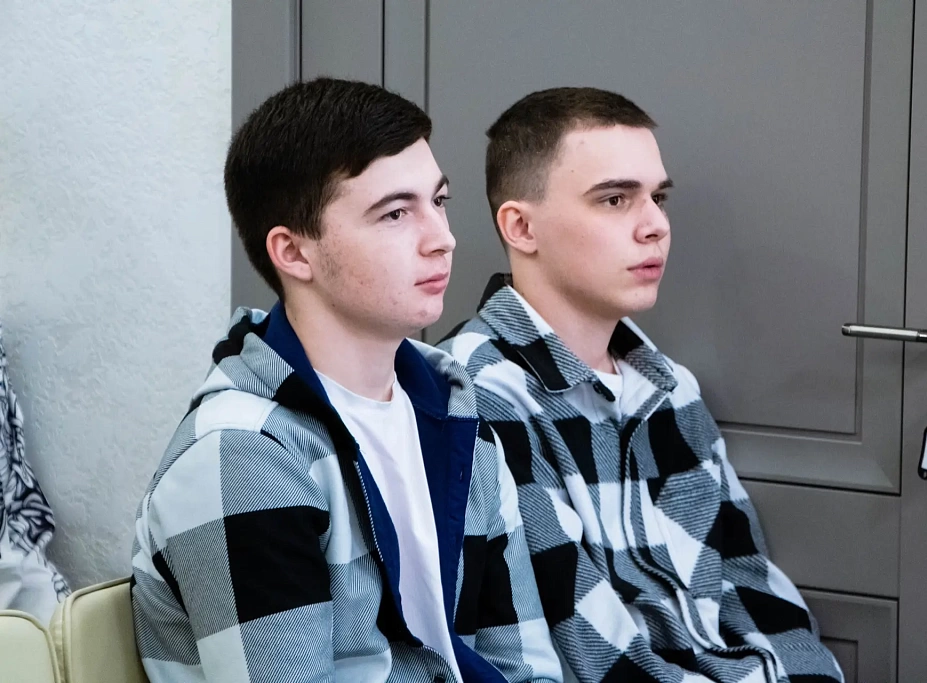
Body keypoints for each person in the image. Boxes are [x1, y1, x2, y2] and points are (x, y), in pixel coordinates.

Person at [130, 78, 561, 683]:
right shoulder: (241, 457)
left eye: (438, 201)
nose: (442, 238)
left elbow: (523, 665)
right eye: (395, 213)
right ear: (294, 253)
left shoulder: (456, 413)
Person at [440, 87, 843, 683]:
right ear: (522, 227)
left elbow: (750, 583)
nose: (655, 225)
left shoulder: (670, 388)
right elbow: (588, 651)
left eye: (658, 197)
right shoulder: (478, 394)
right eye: (614, 200)